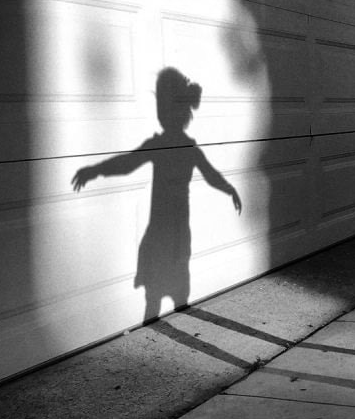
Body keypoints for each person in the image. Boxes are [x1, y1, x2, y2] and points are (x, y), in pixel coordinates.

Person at [72, 67, 242, 321]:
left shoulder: (188, 148)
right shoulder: (160, 145)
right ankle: (156, 318)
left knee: (178, 283)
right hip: (162, 229)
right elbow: (126, 163)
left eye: (169, 110)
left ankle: (173, 314)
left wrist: (229, 189)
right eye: (163, 110)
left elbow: (210, 174)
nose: (166, 116)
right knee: (155, 289)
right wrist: (95, 170)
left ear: (182, 114)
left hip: (177, 229)